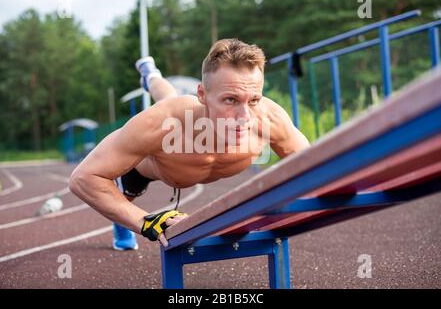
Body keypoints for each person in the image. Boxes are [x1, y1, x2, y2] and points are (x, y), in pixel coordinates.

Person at [69, 38, 311, 250]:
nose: (244, 116)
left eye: (254, 99)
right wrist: (144, 222)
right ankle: (151, 76)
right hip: (151, 167)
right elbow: (83, 178)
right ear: (203, 95)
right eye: (230, 99)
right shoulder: (161, 123)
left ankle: (152, 74)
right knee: (126, 195)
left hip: (184, 125)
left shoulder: (269, 119)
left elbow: (313, 164)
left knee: (170, 97)